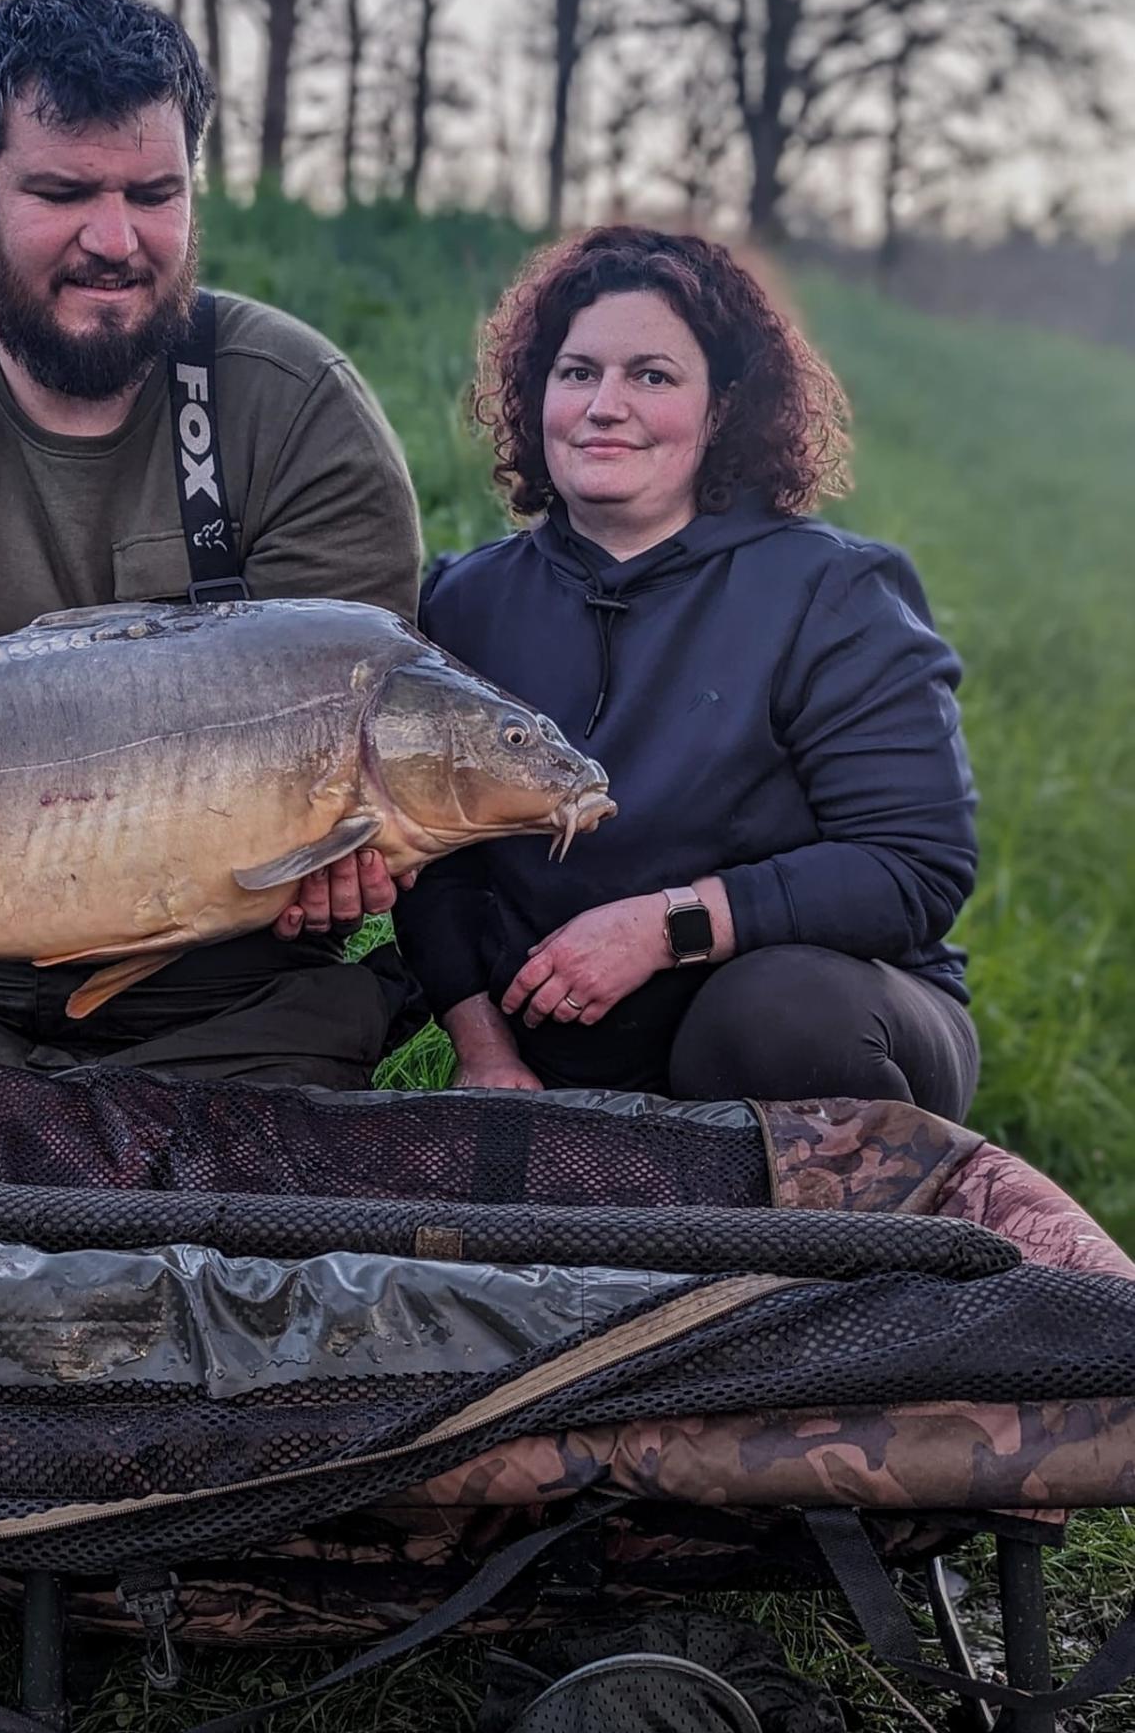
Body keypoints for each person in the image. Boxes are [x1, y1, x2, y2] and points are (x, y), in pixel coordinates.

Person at [0, 0, 424, 1087]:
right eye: (66, 192)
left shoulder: (299, 404)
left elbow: (360, 719)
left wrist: (346, 855)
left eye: (154, 193)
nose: (116, 240)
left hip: (235, 998)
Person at [393, 225, 980, 1122]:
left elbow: (913, 869)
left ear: (721, 412)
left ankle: (827, 1257)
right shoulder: (464, 606)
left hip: (826, 1029)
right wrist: (485, 1051)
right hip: (561, 1055)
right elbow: (438, 872)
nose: (604, 406)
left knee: (774, 1014)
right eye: (577, 372)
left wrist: (671, 926)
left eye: (652, 376)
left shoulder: (832, 593)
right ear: (534, 394)